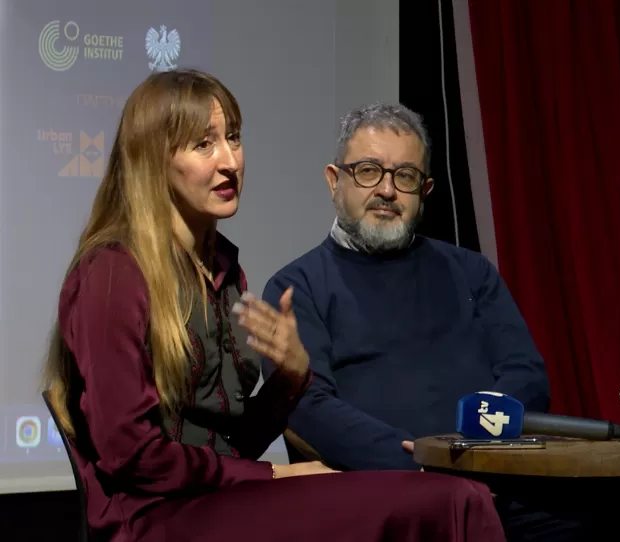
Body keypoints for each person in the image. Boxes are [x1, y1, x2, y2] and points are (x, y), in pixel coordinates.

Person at [42, 69, 505, 542]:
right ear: (153, 159)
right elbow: (129, 453)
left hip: (219, 500)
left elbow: (232, 445)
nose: (230, 162)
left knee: (448, 496)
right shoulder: (113, 272)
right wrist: (271, 474)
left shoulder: (221, 270)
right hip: (153, 518)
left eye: (234, 138)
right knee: (449, 500)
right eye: (204, 145)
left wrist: (289, 378)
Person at [261, 103, 585, 541]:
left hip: (493, 484)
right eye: (368, 171)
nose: (387, 190)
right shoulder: (296, 288)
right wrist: (423, 465)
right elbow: (309, 406)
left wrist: (473, 449)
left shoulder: (470, 272)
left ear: (425, 189)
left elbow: (526, 375)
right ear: (335, 181)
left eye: (405, 176)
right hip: (379, 494)